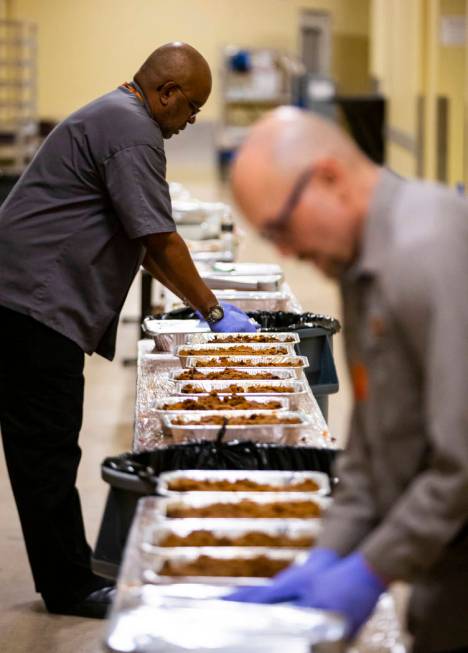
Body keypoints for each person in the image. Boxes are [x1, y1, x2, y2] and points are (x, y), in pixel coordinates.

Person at [0, 42, 254, 619]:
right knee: (46, 447)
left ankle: (71, 569)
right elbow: (160, 240)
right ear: (165, 93)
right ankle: (69, 586)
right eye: (191, 107)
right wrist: (214, 313)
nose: (192, 120)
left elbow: (146, 245)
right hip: (33, 305)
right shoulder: (131, 130)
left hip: (25, 297)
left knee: (48, 444)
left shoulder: (118, 116)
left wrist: (204, 305)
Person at [226, 106, 468, 653]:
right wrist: (328, 554)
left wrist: (372, 570)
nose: (285, 251)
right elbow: (374, 441)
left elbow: (462, 460)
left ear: (330, 178)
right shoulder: (362, 263)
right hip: (443, 557)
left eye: (281, 228)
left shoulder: (423, 253)